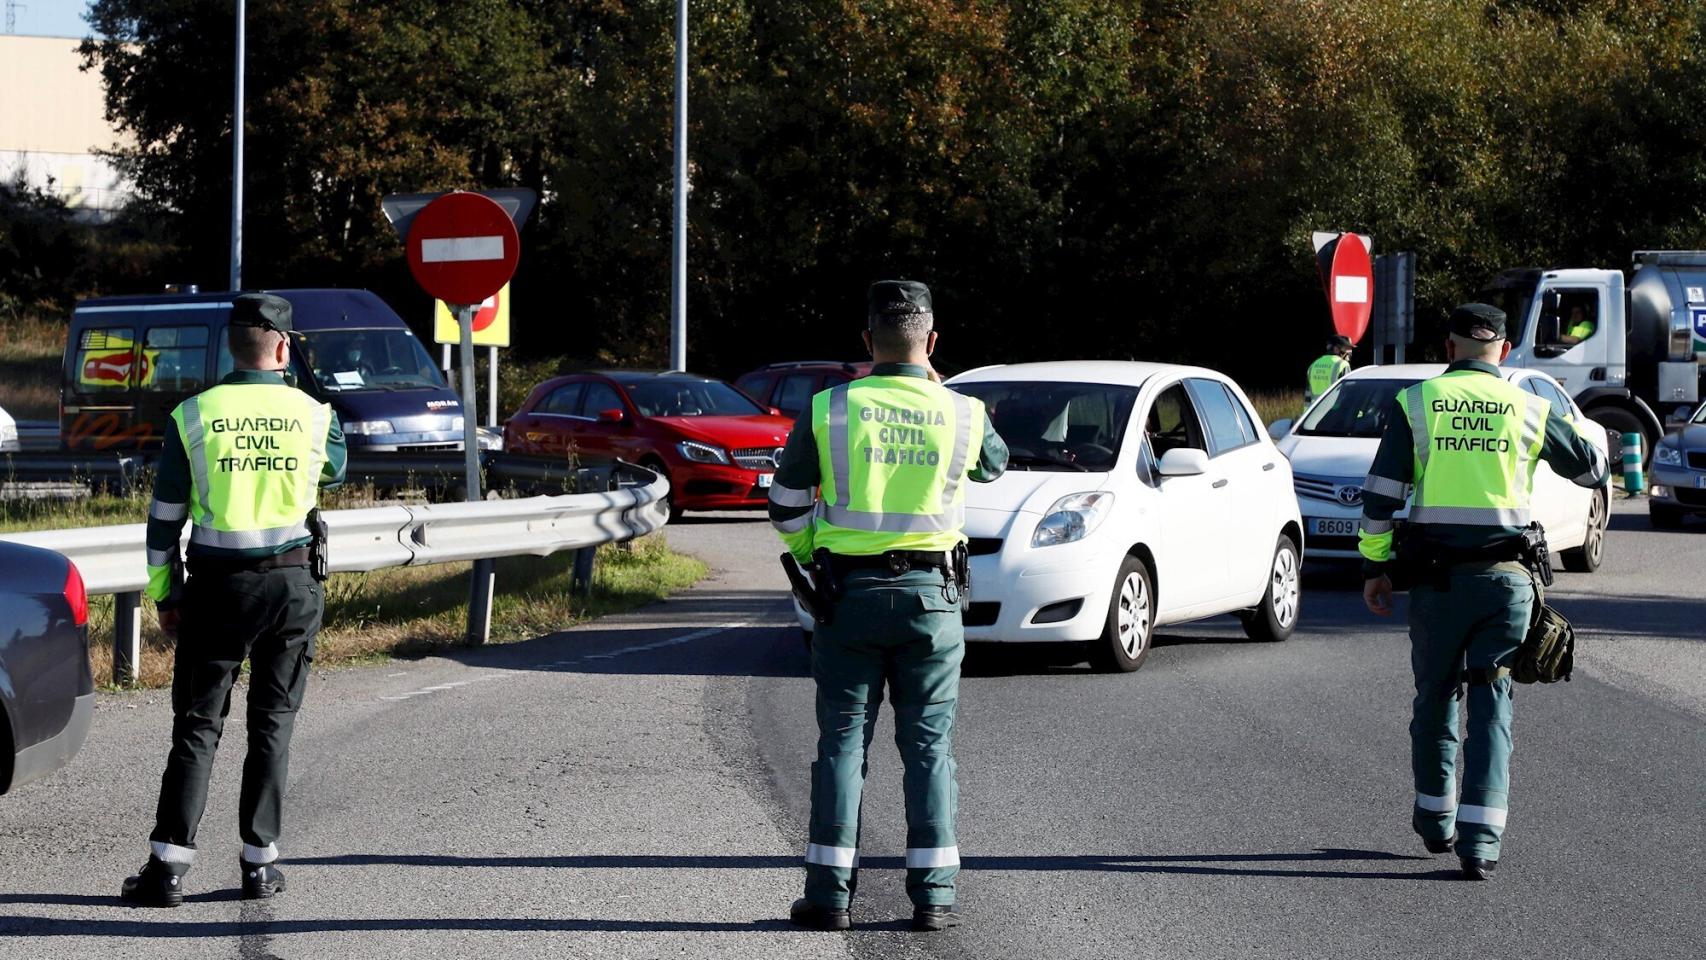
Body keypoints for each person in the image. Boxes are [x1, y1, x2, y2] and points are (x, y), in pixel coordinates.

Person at [768, 280, 1008, 932]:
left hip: (847, 599)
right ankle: (933, 899)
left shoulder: (829, 409)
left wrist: (821, 550)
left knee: (842, 745)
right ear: (931, 342)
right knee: (929, 749)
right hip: (934, 601)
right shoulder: (961, 411)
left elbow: (785, 508)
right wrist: (937, 382)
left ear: (866, 341)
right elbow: (995, 467)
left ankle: (828, 897)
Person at [1358, 303, 1607, 881]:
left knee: (1436, 698)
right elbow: (1591, 470)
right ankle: (1481, 844)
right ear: (1504, 352)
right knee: (1493, 706)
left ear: (1449, 350)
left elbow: (1379, 499)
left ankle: (1434, 822)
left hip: (1438, 583)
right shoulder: (1530, 408)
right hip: (1508, 583)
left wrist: (1376, 571)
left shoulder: (1416, 403)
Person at [122, 293, 346, 907]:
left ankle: (167, 868)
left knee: (198, 724)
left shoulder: (192, 414)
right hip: (294, 586)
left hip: (218, 589)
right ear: (282, 347)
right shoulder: (314, 414)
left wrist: (165, 594)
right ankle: (258, 864)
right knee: (272, 723)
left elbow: (164, 518)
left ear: (230, 345)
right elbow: (334, 472)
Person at [1306, 334, 1355, 405]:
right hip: (1334, 412)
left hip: (1315, 412)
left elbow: (1307, 395)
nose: (1349, 352)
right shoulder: (1342, 364)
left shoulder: (1313, 365)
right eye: (1346, 348)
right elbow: (1348, 393)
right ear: (1336, 349)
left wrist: (1307, 414)